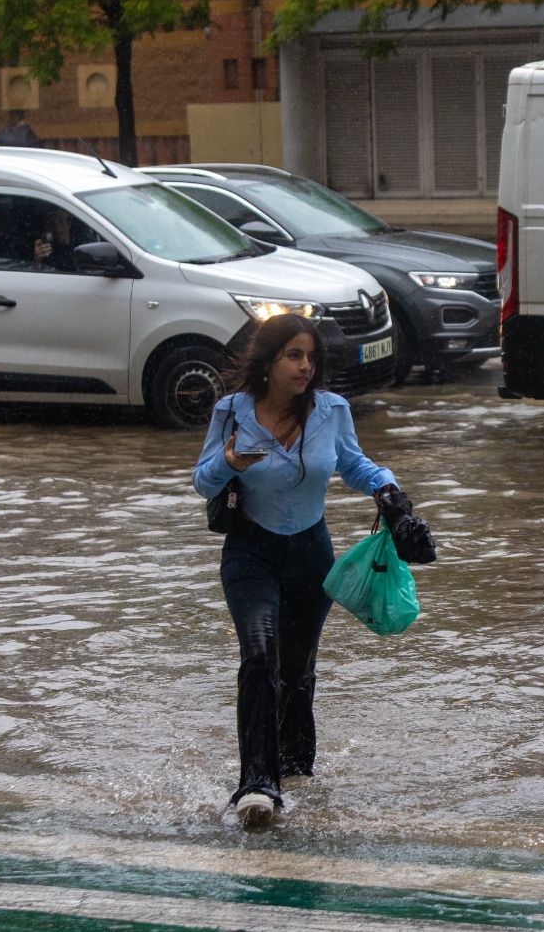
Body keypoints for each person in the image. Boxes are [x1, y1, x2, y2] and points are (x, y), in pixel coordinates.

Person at [192, 314, 401, 828]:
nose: (305, 366)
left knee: (297, 670)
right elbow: (201, 481)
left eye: (311, 357)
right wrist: (230, 463)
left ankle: (295, 766)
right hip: (250, 553)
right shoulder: (231, 411)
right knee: (260, 653)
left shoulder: (332, 410)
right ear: (268, 361)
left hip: (311, 554)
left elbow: (354, 465)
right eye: (293, 356)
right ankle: (256, 784)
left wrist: (388, 489)